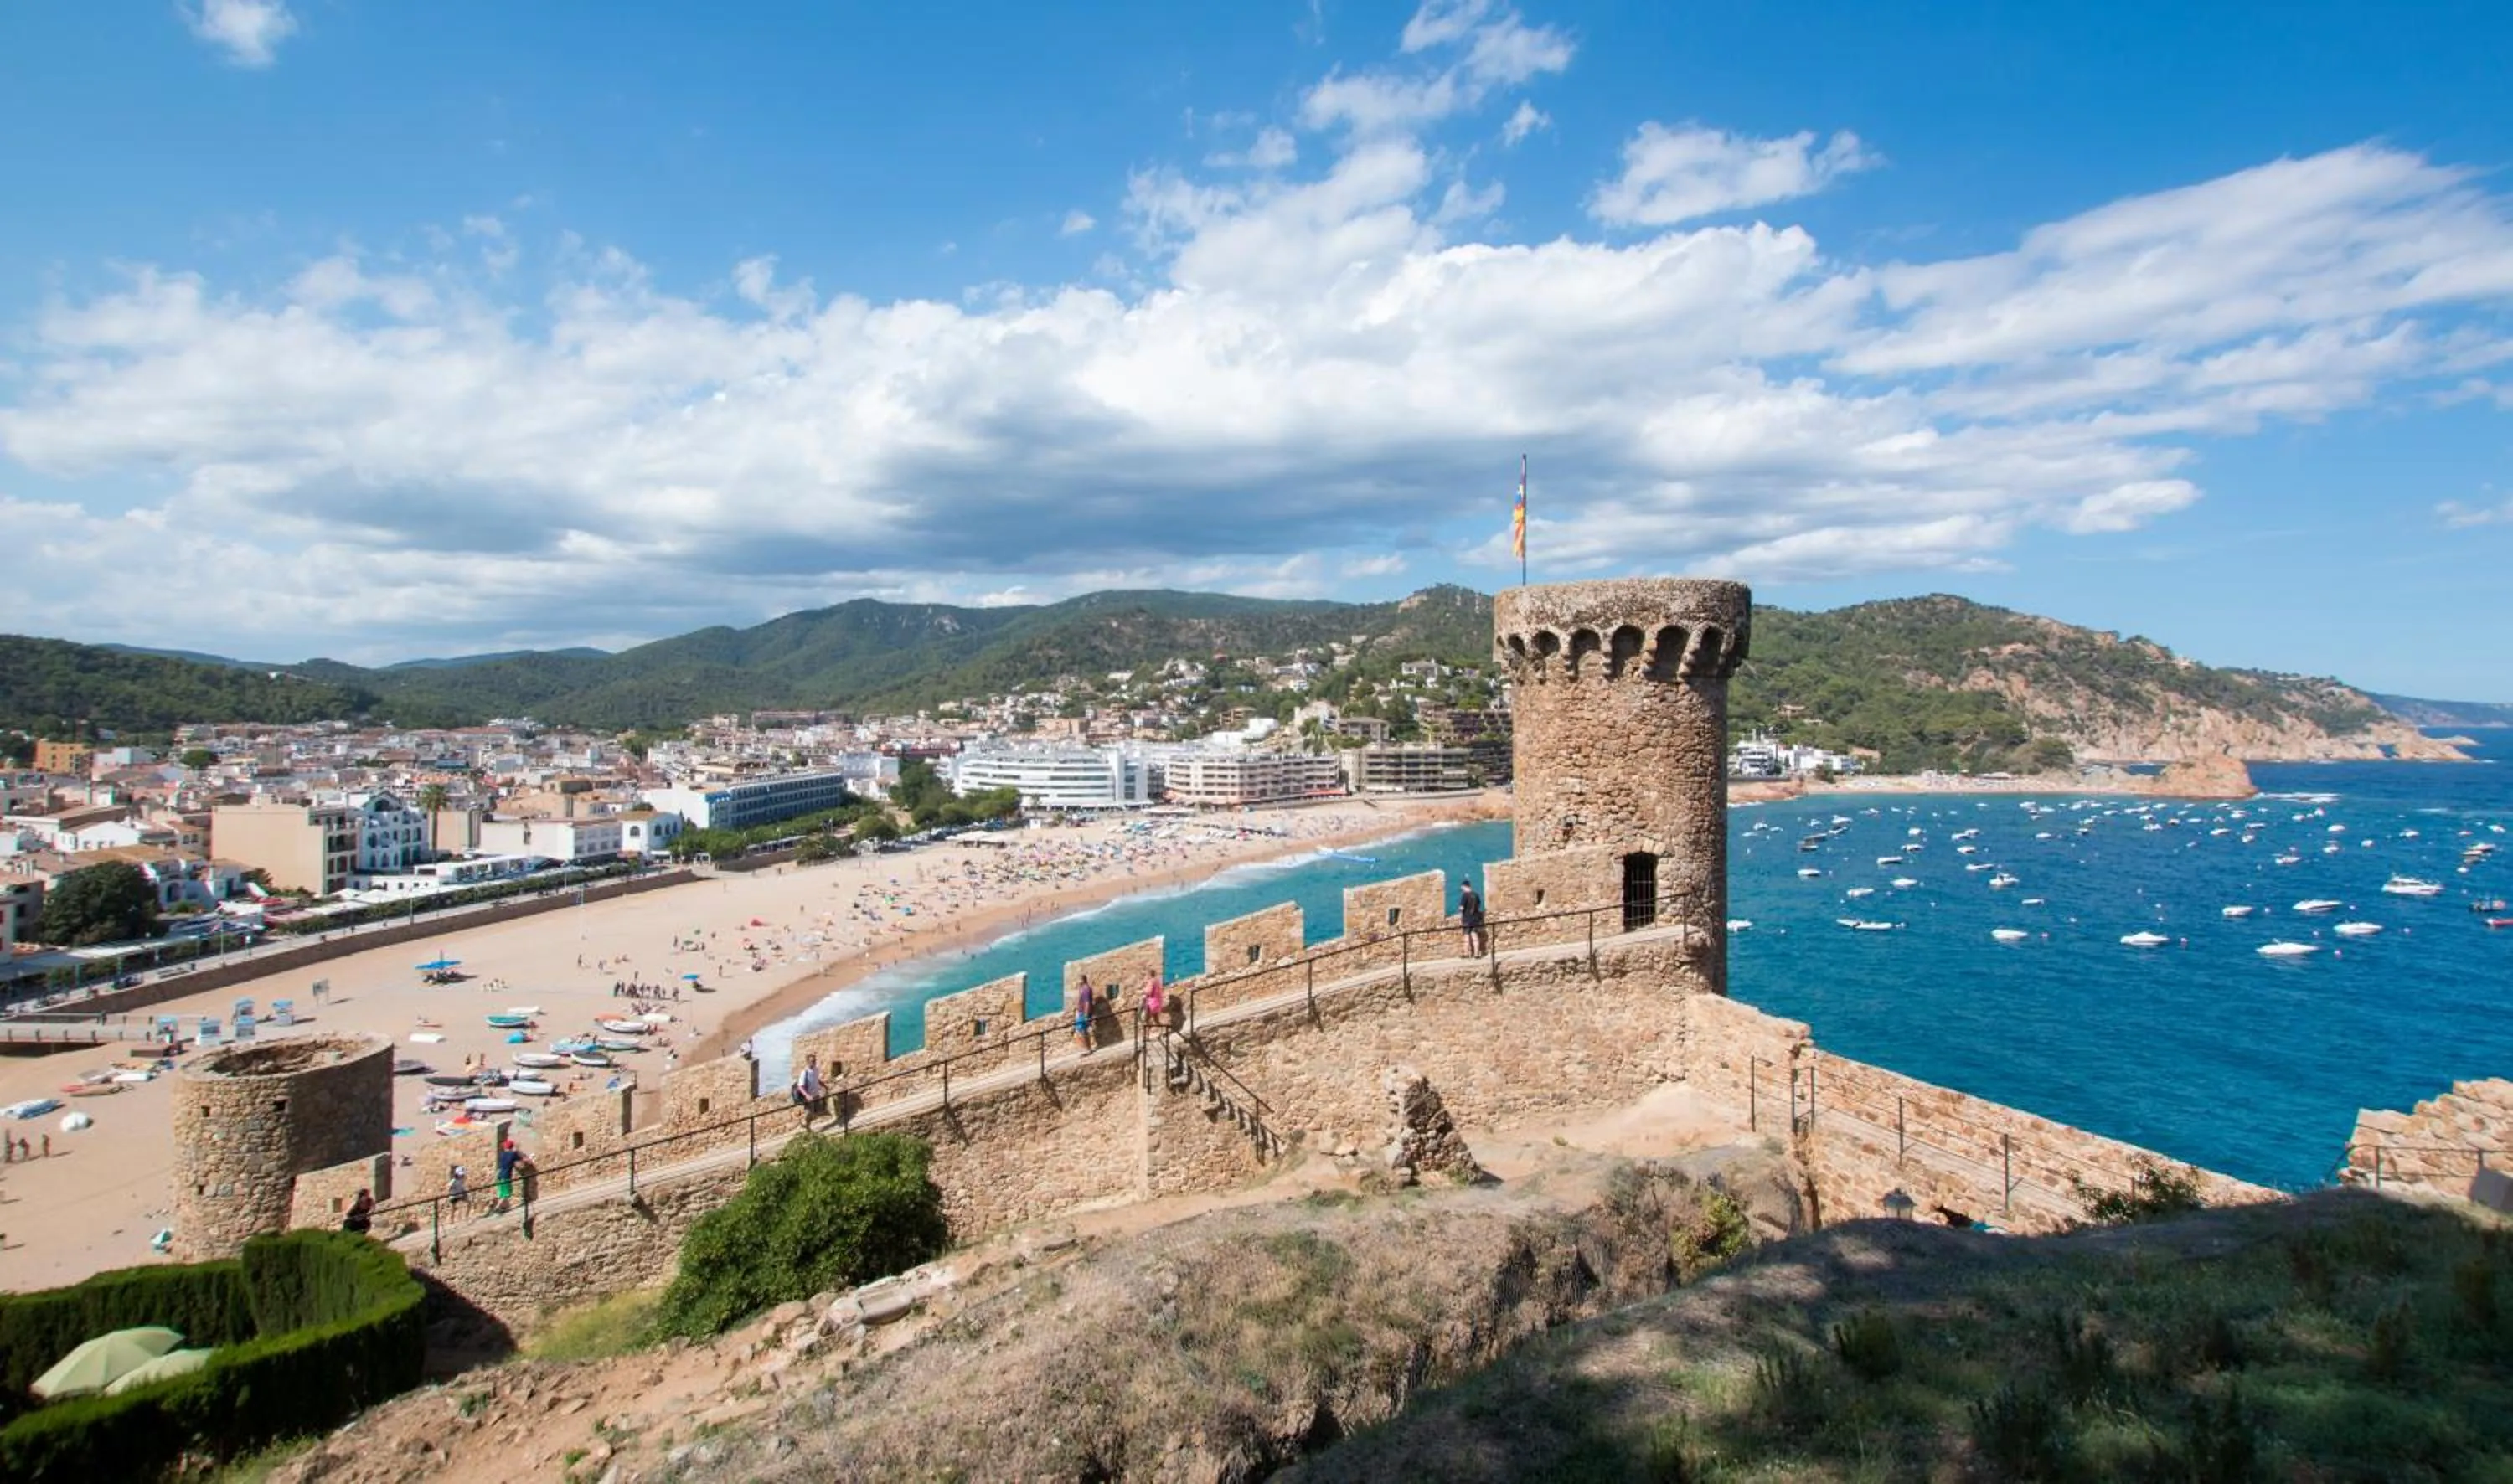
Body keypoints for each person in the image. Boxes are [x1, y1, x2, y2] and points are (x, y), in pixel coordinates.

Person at [1458, 879, 1487, 956]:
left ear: (1465, 886)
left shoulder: (1465, 895)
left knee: (1466, 936)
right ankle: (1477, 953)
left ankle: (1466, 953)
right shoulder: (1476, 895)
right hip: (1475, 919)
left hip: (1467, 919)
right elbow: (1478, 906)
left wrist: (1460, 919)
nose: (1462, 889)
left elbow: (1461, 908)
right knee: (1475, 936)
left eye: (1462, 887)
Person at [494, 1139, 522, 1213]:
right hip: (506, 1176)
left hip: (500, 1176)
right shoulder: (513, 1154)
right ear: (512, 1146)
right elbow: (520, 1158)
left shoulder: (502, 1155)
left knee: (502, 1193)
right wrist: (517, 1150)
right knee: (507, 1194)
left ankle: (506, 1207)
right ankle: (497, 1207)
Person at [1073, 976, 1096, 1054]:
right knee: (1083, 1030)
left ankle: (1087, 1049)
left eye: (1079, 980)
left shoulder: (1086, 989)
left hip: (1083, 1013)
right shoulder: (1082, 989)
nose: (1077, 982)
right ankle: (1087, 1048)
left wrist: (1086, 1015)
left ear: (1083, 980)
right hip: (1081, 1012)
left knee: (1081, 1030)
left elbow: (1087, 1003)